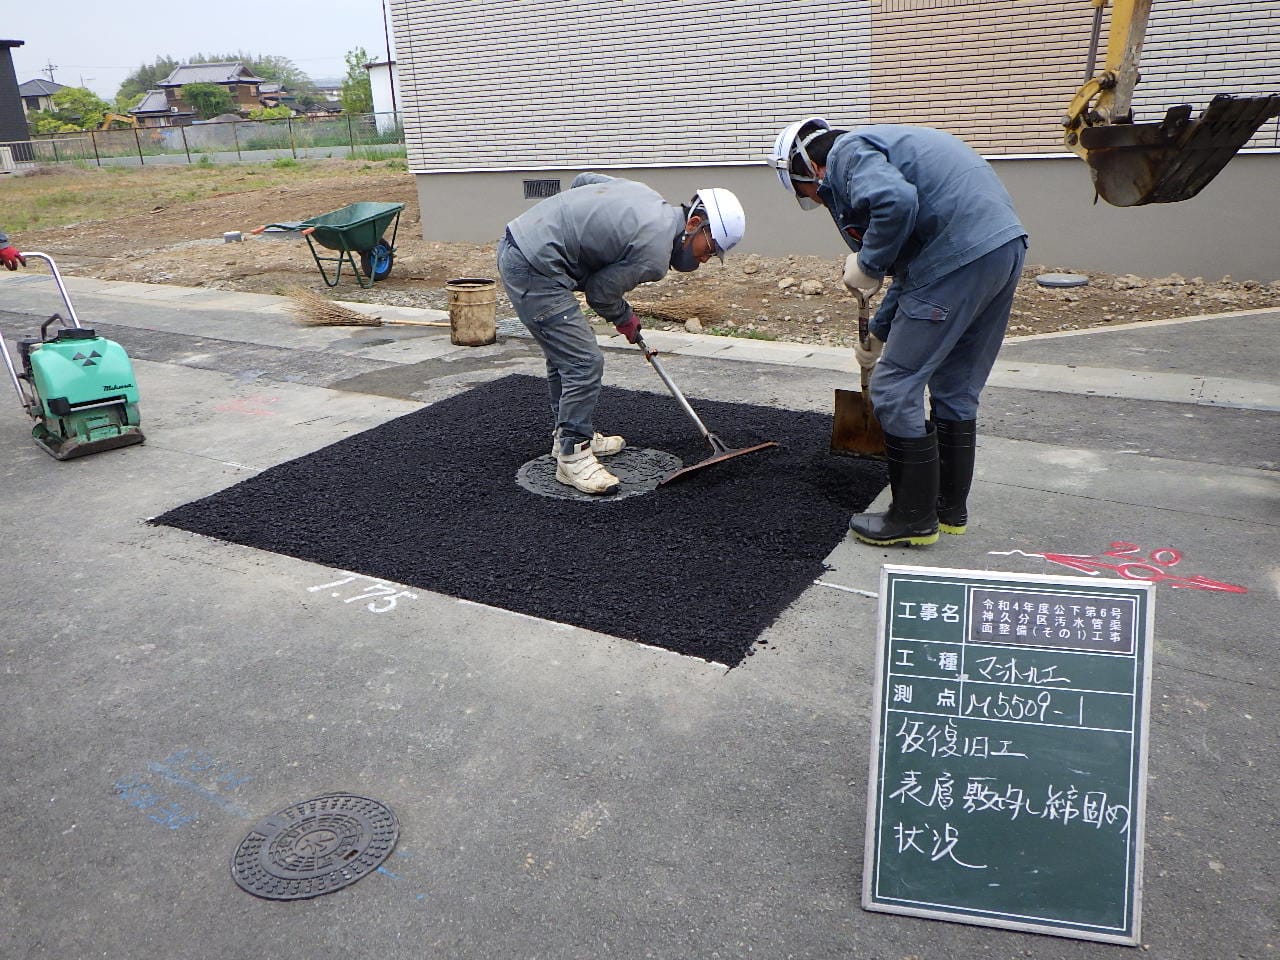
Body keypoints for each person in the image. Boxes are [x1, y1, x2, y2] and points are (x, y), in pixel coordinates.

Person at [769, 117, 1028, 546]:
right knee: (956, 387)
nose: (817, 199)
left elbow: (895, 202)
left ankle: (912, 517)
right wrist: (877, 331)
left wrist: (868, 263)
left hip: (957, 256)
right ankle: (948, 510)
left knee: (893, 387)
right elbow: (912, 275)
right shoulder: (892, 147)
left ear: (808, 168)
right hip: (1000, 250)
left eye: (808, 193)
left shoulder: (846, 153)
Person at [498, 174, 745, 495]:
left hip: (526, 247)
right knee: (582, 362)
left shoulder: (646, 195)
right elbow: (600, 293)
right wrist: (626, 319)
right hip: (534, 267)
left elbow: (583, 181)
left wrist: (579, 228)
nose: (705, 259)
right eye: (710, 248)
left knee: (566, 356)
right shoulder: (655, 255)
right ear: (694, 223)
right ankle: (573, 455)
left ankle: (568, 434)